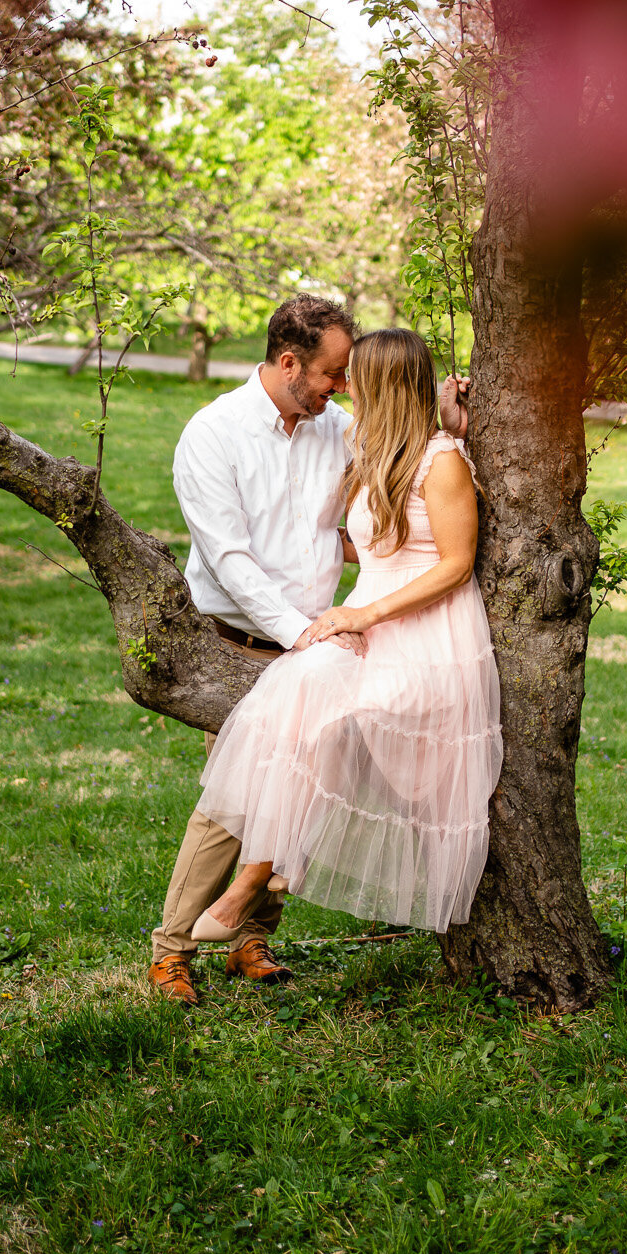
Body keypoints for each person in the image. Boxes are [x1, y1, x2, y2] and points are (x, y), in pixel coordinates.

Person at [148, 298, 469, 1004]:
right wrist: (303, 634)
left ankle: (250, 939)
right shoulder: (214, 434)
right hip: (243, 641)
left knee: (294, 785)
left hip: (320, 639)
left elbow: (402, 474)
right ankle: (171, 951)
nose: (342, 386)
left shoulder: (339, 429)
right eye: (332, 373)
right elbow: (229, 558)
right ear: (289, 363)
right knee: (234, 798)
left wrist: (446, 422)